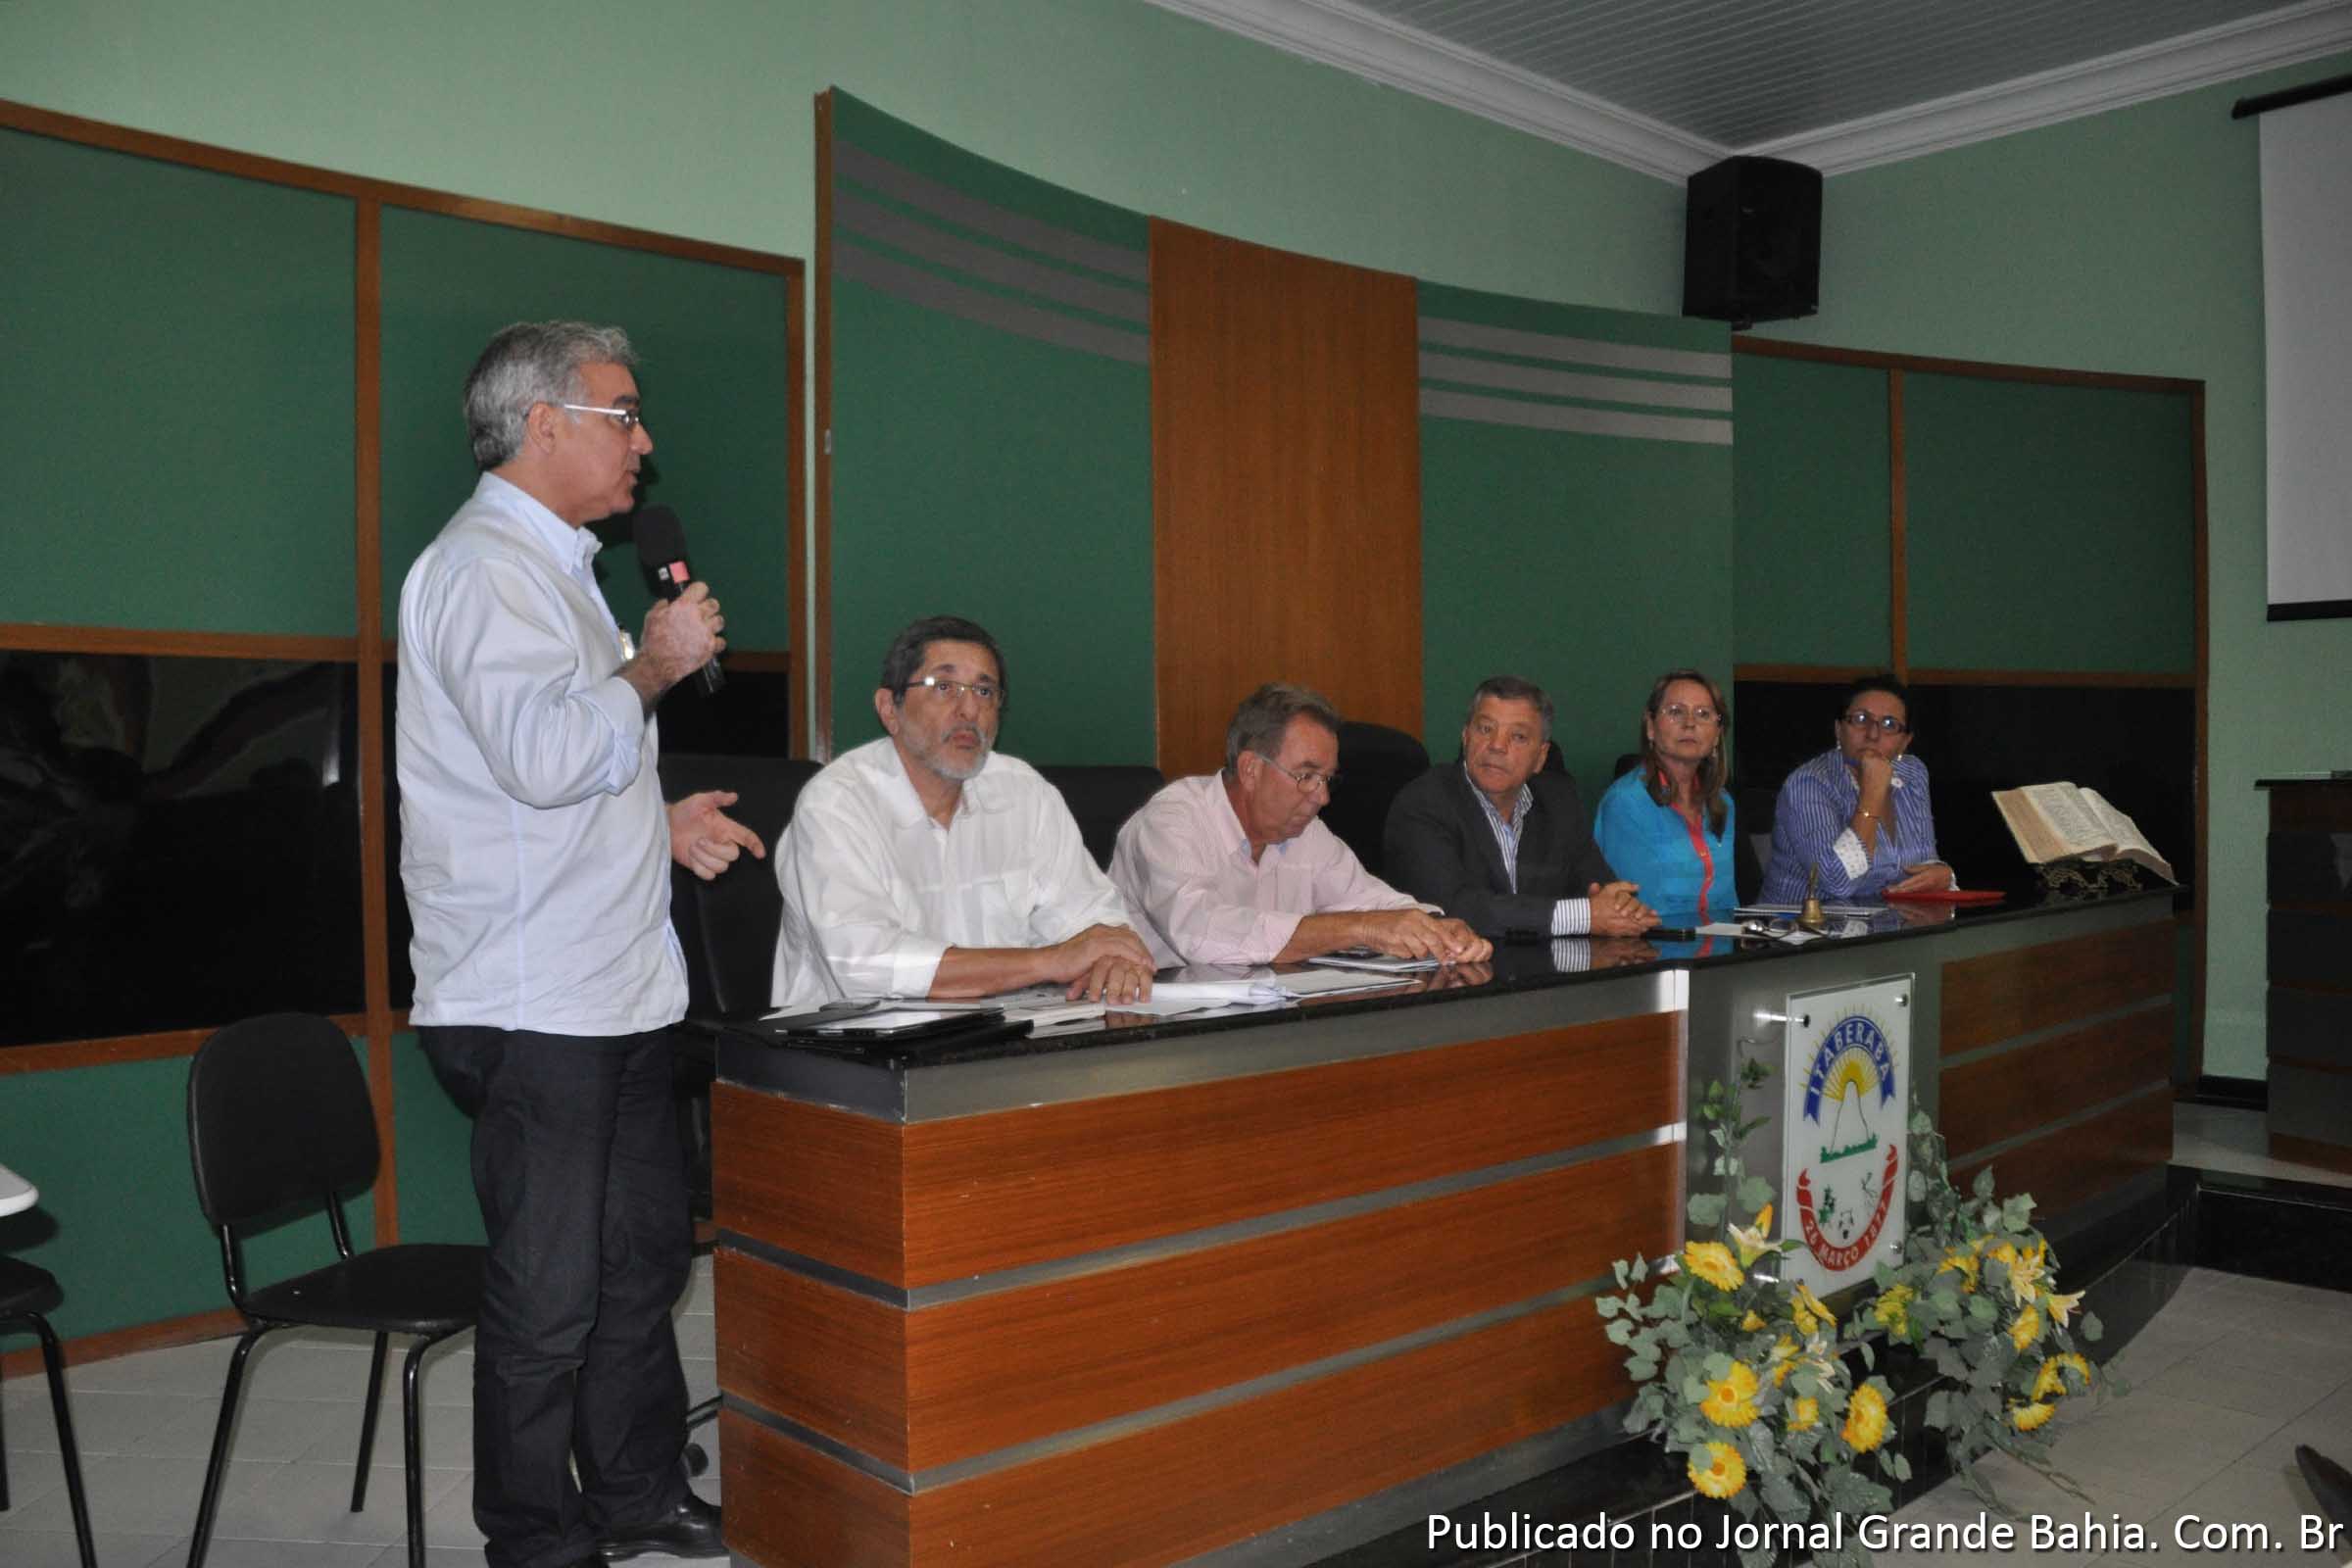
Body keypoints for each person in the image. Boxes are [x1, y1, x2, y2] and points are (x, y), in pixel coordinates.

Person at [398, 320, 760, 1568]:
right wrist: (655, 669)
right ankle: (537, 1542)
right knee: (549, 1298)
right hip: (530, 996)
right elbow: (548, 758)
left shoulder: (559, 569)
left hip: (612, 989)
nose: (644, 442)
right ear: (543, 423)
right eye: (623, 413)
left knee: (642, 1262)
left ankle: (638, 1492)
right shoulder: (480, 570)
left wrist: (652, 823)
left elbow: (541, 778)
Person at [770, 615, 1153, 1009]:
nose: (969, 708)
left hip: (1004, 1041)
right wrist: (1050, 961)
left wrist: (1111, 958)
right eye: (945, 686)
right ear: (889, 709)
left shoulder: (1025, 793)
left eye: (985, 691)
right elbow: (863, 963)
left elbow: (1095, 921)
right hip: (847, 1050)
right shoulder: (837, 803)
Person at [1110, 682, 1492, 967]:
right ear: (1251, 768)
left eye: (1327, 779)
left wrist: (1437, 927)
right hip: (1150, 1033)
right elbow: (1200, 932)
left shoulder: (1304, 832)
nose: (1321, 797)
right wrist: (1360, 928)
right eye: (1306, 775)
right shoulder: (1171, 822)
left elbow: (1373, 901)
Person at [1384, 675, 1655, 941]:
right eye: (1485, 729)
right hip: (1450, 977)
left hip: (1544, 975)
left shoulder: (1559, 802)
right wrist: (1584, 914)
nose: (1497, 746)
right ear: (1466, 737)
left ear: (1541, 757)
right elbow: (1452, 908)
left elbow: (1599, 885)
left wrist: (1620, 906)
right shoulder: (1425, 802)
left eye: (1518, 737)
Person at [1760, 673, 1954, 903]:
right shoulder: (1808, 785)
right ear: (1838, 729)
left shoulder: (1912, 773)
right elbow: (1838, 882)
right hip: (1800, 931)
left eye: (1890, 724)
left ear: (1905, 741)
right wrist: (1872, 794)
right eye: (1861, 719)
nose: (1873, 734)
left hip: (1887, 927)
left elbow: (1923, 862)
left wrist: (1943, 874)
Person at [1594, 668, 1740, 923]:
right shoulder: (1626, 803)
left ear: (1717, 734)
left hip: (1718, 951)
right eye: (1675, 711)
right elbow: (1637, 910)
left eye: (1703, 714)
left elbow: (1727, 902)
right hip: (1649, 950)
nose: (1690, 723)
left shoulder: (1722, 802)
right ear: (1650, 727)